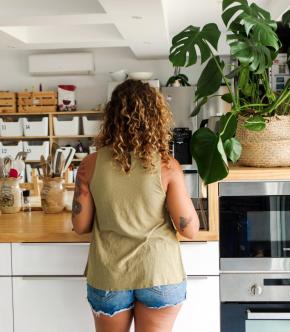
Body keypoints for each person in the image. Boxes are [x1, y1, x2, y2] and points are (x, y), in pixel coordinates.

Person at [72, 79, 199, 332]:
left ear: (111, 118)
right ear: (156, 118)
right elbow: (190, 229)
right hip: (159, 274)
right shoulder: (167, 165)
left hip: (110, 275)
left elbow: (81, 226)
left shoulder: (89, 164)